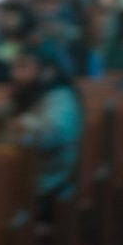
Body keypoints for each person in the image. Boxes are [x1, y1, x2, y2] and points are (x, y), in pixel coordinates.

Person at [6, 46, 83, 200]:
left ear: (48, 72)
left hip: (49, 190)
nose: (14, 74)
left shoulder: (61, 98)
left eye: (24, 67)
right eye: (14, 67)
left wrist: (26, 123)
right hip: (27, 183)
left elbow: (52, 135)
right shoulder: (33, 94)